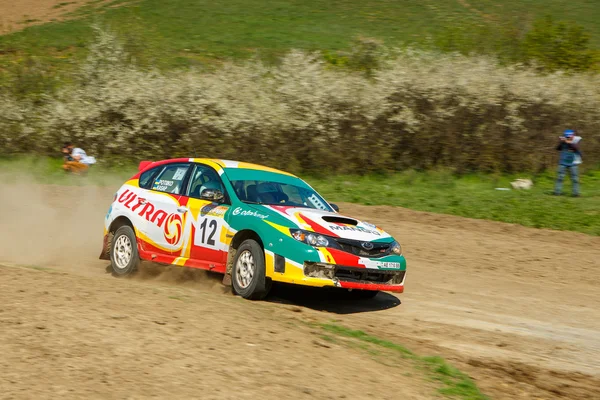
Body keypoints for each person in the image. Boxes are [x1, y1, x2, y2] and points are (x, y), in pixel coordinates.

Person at [553, 129, 582, 197]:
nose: (568, 138)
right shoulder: (563, 142)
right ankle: (557, 193)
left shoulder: (576, 141)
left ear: (573, 136)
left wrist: (569, 142)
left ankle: (576, 194)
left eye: (569, 136)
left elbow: (576, 149)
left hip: (573, 164)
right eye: (567, 136)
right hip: (563, 163)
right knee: (560, 178)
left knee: (575, 179)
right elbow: (557, 148)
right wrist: (561, 142)